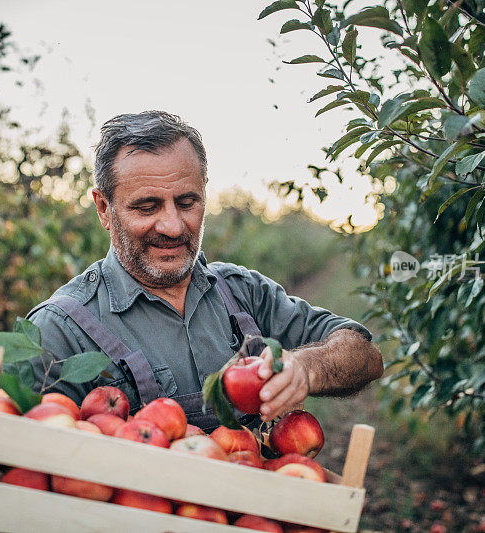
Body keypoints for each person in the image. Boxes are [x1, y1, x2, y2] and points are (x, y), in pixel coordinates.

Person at [27, 110, 383, 432]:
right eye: (147, 206)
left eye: (187, 202)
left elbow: (363, 354)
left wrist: (308, 368)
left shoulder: (243, 293)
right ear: (105, 209)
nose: (172, 225)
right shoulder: (61, 330)